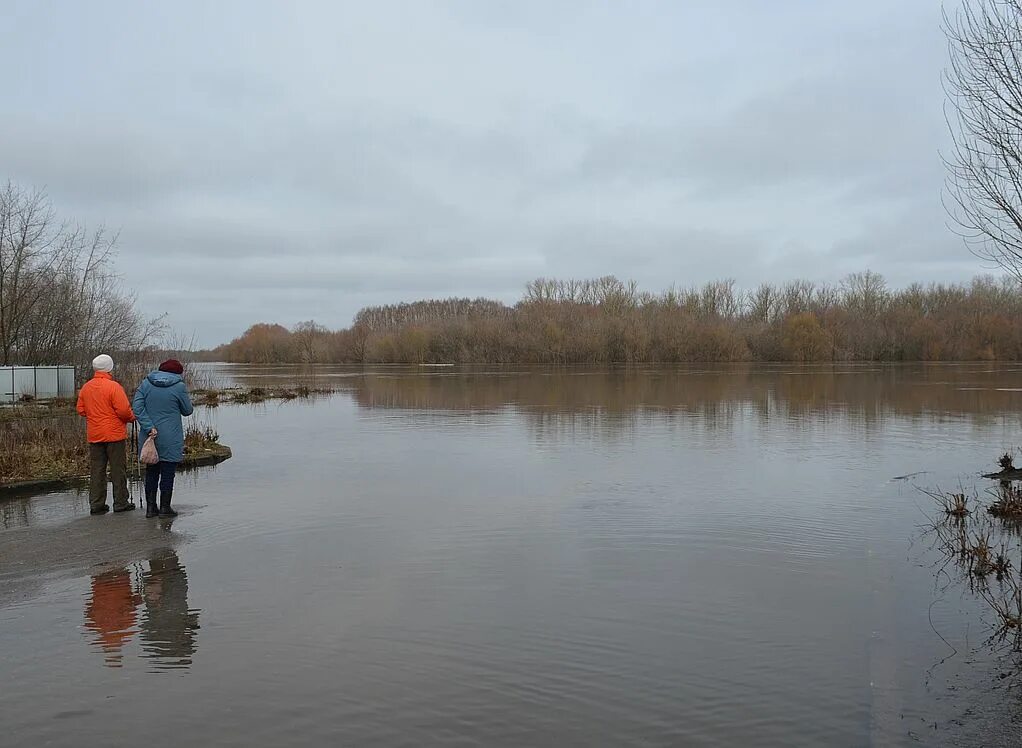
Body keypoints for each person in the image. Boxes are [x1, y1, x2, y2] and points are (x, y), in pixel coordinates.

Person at [76, 354, 136, 515]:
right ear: (109, 368)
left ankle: (96, 504)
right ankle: (120, 502)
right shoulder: (114, 387)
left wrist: (95, 415)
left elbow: (81, 410)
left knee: (97, 470)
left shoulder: (86, 387)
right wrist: (131, 418)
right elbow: (123, 410)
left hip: (95, 434)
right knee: (118, 470)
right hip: (114, 435)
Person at [133, 359, 193, 518]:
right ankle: (165, 508)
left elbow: (137, 408)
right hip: (171, 436)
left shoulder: (145, 384)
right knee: (168, 472)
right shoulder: (179, 387)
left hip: (149, 436)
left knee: (151, 470)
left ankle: (151, 508)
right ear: (177, 373)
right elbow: (187, 410)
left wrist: (148, 426)